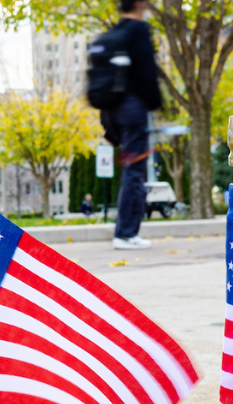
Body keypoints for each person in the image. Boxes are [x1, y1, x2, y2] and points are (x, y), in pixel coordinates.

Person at [96, 0, 161, 250]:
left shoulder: (112, 34)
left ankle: (124, 231)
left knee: (130, 169)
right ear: (140, 3)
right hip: (133, 108)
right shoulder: (139, 31)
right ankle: (125, 234)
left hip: (110, 109)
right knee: (135, 171)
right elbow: (147, 72)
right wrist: (155, 104)